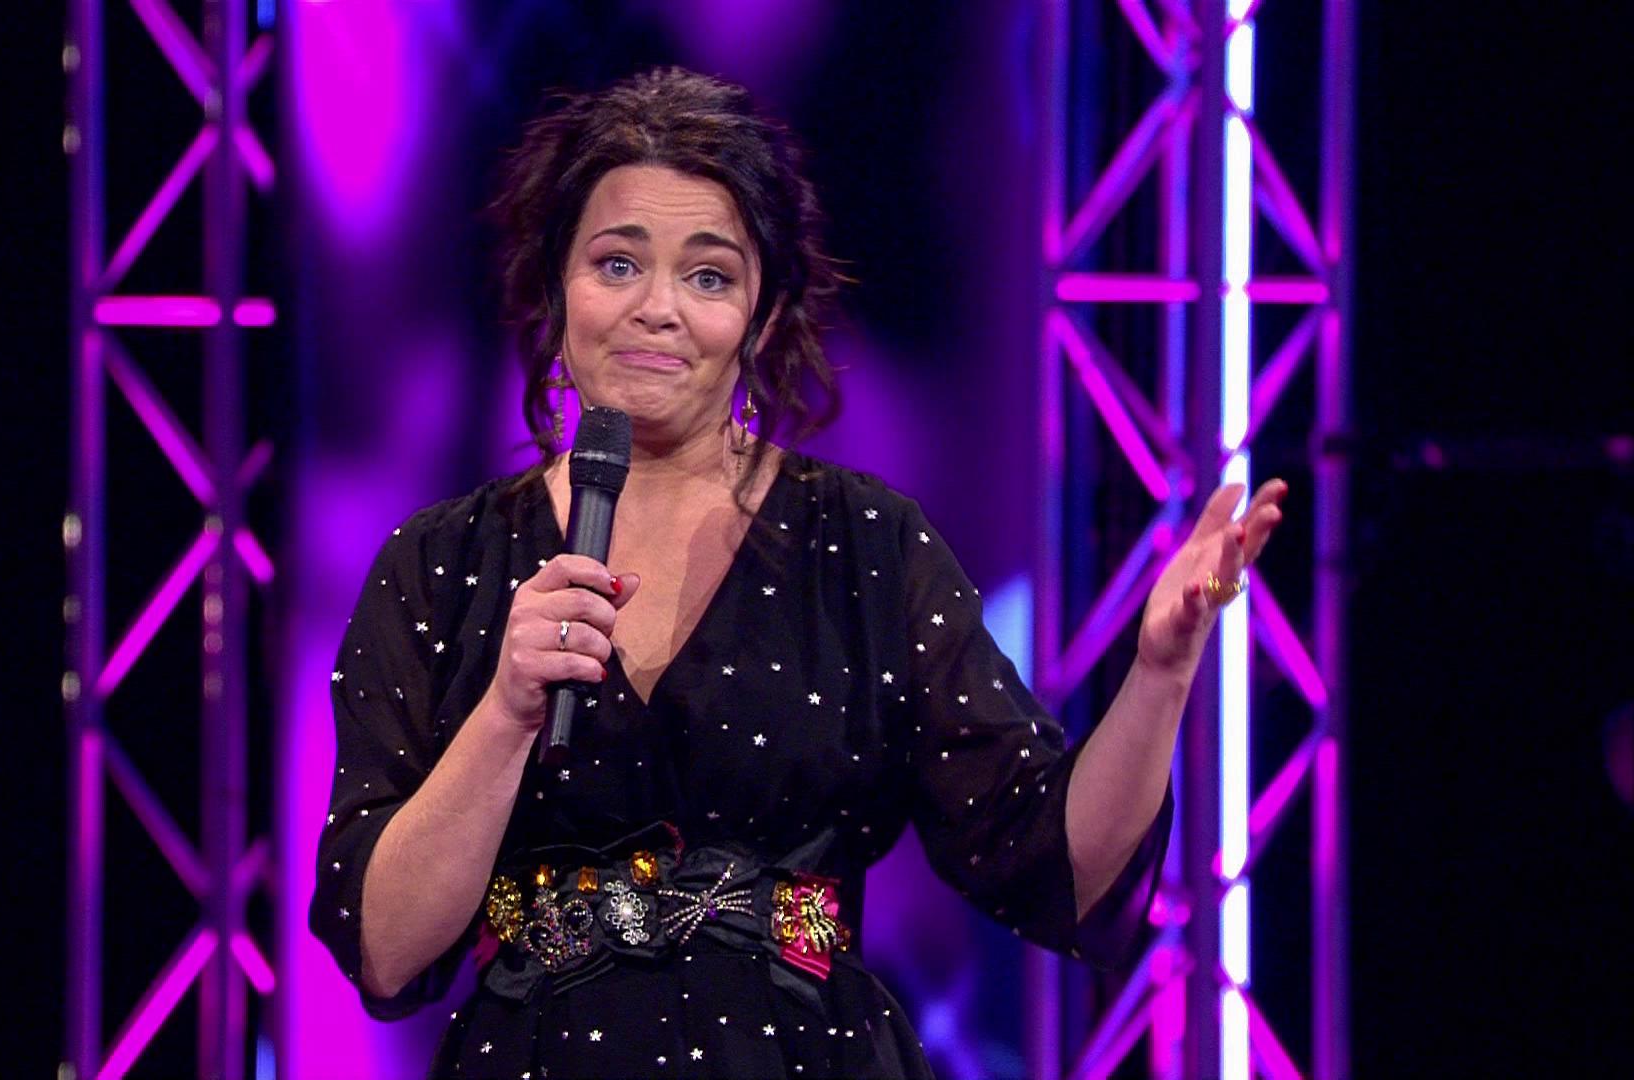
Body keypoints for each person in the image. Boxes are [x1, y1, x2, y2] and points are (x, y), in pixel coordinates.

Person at [311, 66, 1287, 1079]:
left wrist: (1160, 670)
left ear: (766, 316)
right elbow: (385, 948)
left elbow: (1055, 860)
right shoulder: (443, 562)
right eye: (616, 264)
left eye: (709, 277)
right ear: (557, 288)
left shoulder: (864, 545)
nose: (657, 309)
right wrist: (507, 712)